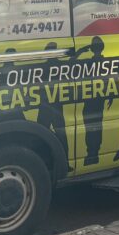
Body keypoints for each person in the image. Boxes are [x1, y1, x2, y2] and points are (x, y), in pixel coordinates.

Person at [75, 36, 111, 165]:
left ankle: (91, 154)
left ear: (92, 48)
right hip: (99, 102)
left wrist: (81, 50)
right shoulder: (106, 63)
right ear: (102, 48)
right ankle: (94, 153)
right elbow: (112, 81)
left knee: (89, 128)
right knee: (97, 127)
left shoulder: (87, 62)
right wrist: (110, 97)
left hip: (89, 102)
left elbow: (71, 62)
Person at [37, 42, 72, 170]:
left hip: (45, 106)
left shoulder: (42, 66)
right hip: (56, 107)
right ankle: (67, 163)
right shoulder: (61, 65)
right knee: (62, 135)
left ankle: (41, 161)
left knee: (39, 135)